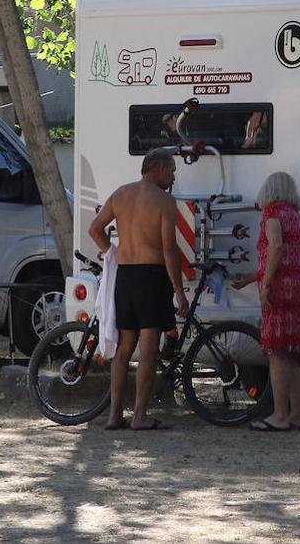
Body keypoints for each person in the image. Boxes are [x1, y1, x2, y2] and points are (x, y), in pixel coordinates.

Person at [89, 149, 189, 431]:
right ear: (157, 168)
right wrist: (179, 291)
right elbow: (169, 249)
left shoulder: (120, 194)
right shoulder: (164, 201)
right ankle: (140, 416)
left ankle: (113, 416)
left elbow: (95, 229)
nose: (172, 177)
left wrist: (113, 252)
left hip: (126, 276)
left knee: (123, 350)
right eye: (170, 170)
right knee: (148, 350)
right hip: (151, 276)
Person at [232, 171, 300, 432]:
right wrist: (250, 278)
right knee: (292, 354)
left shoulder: (272, 213)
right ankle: (298, 415)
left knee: (277, 352)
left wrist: (266, 283)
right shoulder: (299, 219)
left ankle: (279, 415)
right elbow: (288, 255)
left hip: (281, 289)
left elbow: (276, 247)